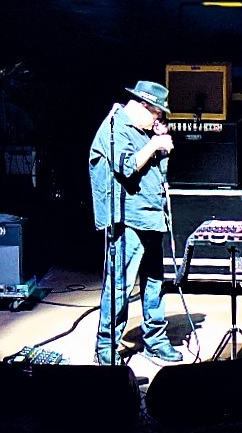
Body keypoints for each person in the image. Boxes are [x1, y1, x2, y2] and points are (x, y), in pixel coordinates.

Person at [87, 79, 182, 365]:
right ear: (143, 105)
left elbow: (154, 171)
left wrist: (160, 146)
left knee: (154, 282)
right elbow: (126, 166)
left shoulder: (142, 130)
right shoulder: (115, 127)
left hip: (150, 215)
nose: (158, 119)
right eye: (157, 113)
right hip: (128, 219)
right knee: (120, 285)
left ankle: (155, 339)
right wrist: (154, 144)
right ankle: (106, 345)